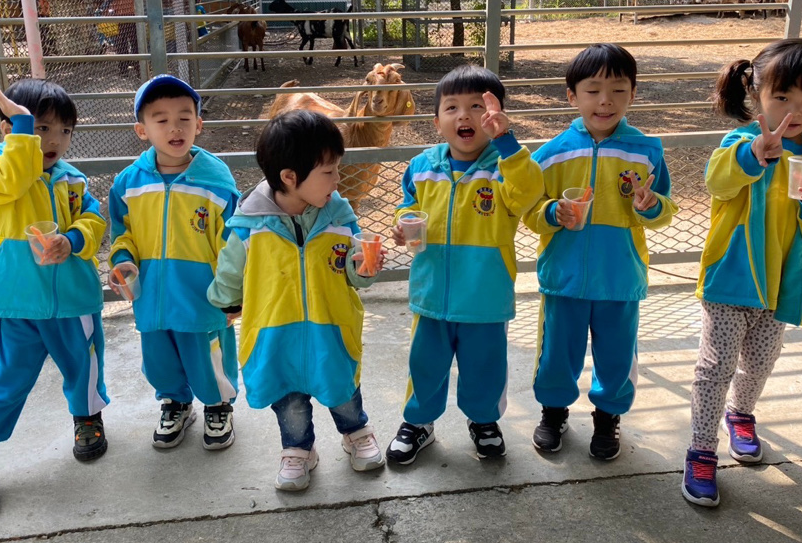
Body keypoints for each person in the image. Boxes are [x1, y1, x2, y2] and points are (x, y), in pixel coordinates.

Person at [682, 38, 802, 508]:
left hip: (782, 287)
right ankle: (701, 451)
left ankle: (740, 415)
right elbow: (716, 182)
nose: (795, 110)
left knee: (760, 363)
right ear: (756, 93)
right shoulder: (740, 144)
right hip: (730, 281)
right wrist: (753, 155)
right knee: (714, 368)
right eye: (782, 96)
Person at [207, 110, 386, 491]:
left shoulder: (338, 216)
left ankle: (356, 431)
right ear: (290, 177)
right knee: (288, 398)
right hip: (275, 332)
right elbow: (230, 272)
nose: (337, 180)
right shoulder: (250, 226)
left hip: (331, 327)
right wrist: (226, 303)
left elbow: (353, 272)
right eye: (329, 171)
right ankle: (298, 448)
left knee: (341, 386)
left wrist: (364, 269)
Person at [0, 80, 109, 518]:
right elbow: (14, 176)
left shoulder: (71, 178)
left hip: (71, 302)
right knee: (5, 383)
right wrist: (21, 131)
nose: (53, 140)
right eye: (41, 128)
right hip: (16, 303)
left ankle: (87, 417)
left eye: (64, 131)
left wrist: (73, 239)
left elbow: (93, 217)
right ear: (10, 128)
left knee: (84, 368)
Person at [523, 44, 677, 461]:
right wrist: (552, 213)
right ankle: (553, 412)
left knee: (617, 354)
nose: (605, 101)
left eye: (618, 90)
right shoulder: (551, 154)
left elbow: (664, 210)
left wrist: (651, 206)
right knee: (557, 352)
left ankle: (608, 416)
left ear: (633, 94)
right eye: (592, 90)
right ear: (572, 95)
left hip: (620, 278)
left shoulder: (647, 152)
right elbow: (529, 212)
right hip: (564, 279)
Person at [385, 65, 543, 465]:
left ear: (496, 117)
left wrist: (507, 142)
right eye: (452, 107)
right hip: (431, 293)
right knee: (425, 364)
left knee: (485, 367)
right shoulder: (422, 166)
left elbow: (528, 192)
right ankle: (418, 422)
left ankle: (484, 420)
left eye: (477, 107)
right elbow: (408, 206)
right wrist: (403, 224)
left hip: (485, 296)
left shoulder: (505, 167)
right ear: (436, 121)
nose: (464, 116)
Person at [108, 74, 241, 452]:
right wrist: (122, 261)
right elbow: (122, 233)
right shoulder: (128, 184)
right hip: (150, 296)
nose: (174, 128)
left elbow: (233, 242)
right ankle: (175, 403)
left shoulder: (216, 181)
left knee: (207, 356)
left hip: (203, 297)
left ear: (199, 124)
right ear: (142, 130)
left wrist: (233, 291)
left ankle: (218, 406)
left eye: (184, 118)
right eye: (161, 119)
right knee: (159, 358)